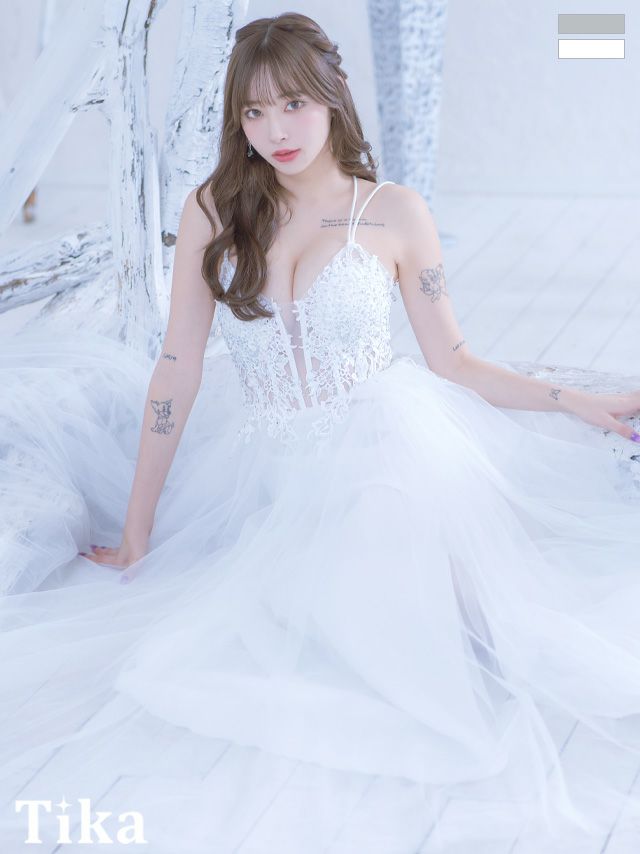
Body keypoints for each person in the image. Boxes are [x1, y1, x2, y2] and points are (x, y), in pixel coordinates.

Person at [1, 11, 640, 852]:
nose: (276, 130)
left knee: (390, 527)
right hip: (264, 463)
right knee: (264, 615)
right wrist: (135, 534)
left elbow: (454, 361)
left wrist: (573, 399)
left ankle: (451, 630)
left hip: (385, 441)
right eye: (254, 112)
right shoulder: (215, 211)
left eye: (294, 104)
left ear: (333, 96)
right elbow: (176, 371)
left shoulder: (393, 211)